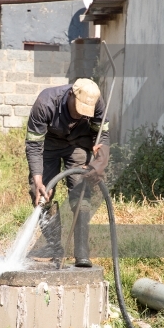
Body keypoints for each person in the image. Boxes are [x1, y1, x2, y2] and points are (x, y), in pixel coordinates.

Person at [25, 78, 110, 267]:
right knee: (39, 192)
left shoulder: (97, 102)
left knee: (81, 193)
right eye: (78, 109)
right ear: (71, 94)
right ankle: (54, 246)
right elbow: (33, 144)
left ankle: (82, 253)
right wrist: (38, 180)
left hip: (78, 145)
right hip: (49, 145)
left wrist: (100, 163)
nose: (81, 115)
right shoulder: (45, 103)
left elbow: (102, 136)